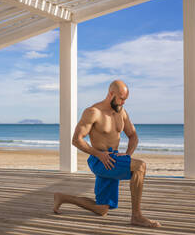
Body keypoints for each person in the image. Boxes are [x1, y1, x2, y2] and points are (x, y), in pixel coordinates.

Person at [53, 80, 161, 228]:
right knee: (140, 166)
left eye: (125, 99)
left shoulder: (121, 112)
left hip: (113, 159)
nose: (123, 102)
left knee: (102, 209)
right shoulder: (93, 112)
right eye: (121, 98)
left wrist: (128, 154)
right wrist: (98, 154)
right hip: (100, 160)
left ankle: (62, 197)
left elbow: (133, 136)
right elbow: (76, 140)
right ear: (111, 94)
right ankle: (137, 216)